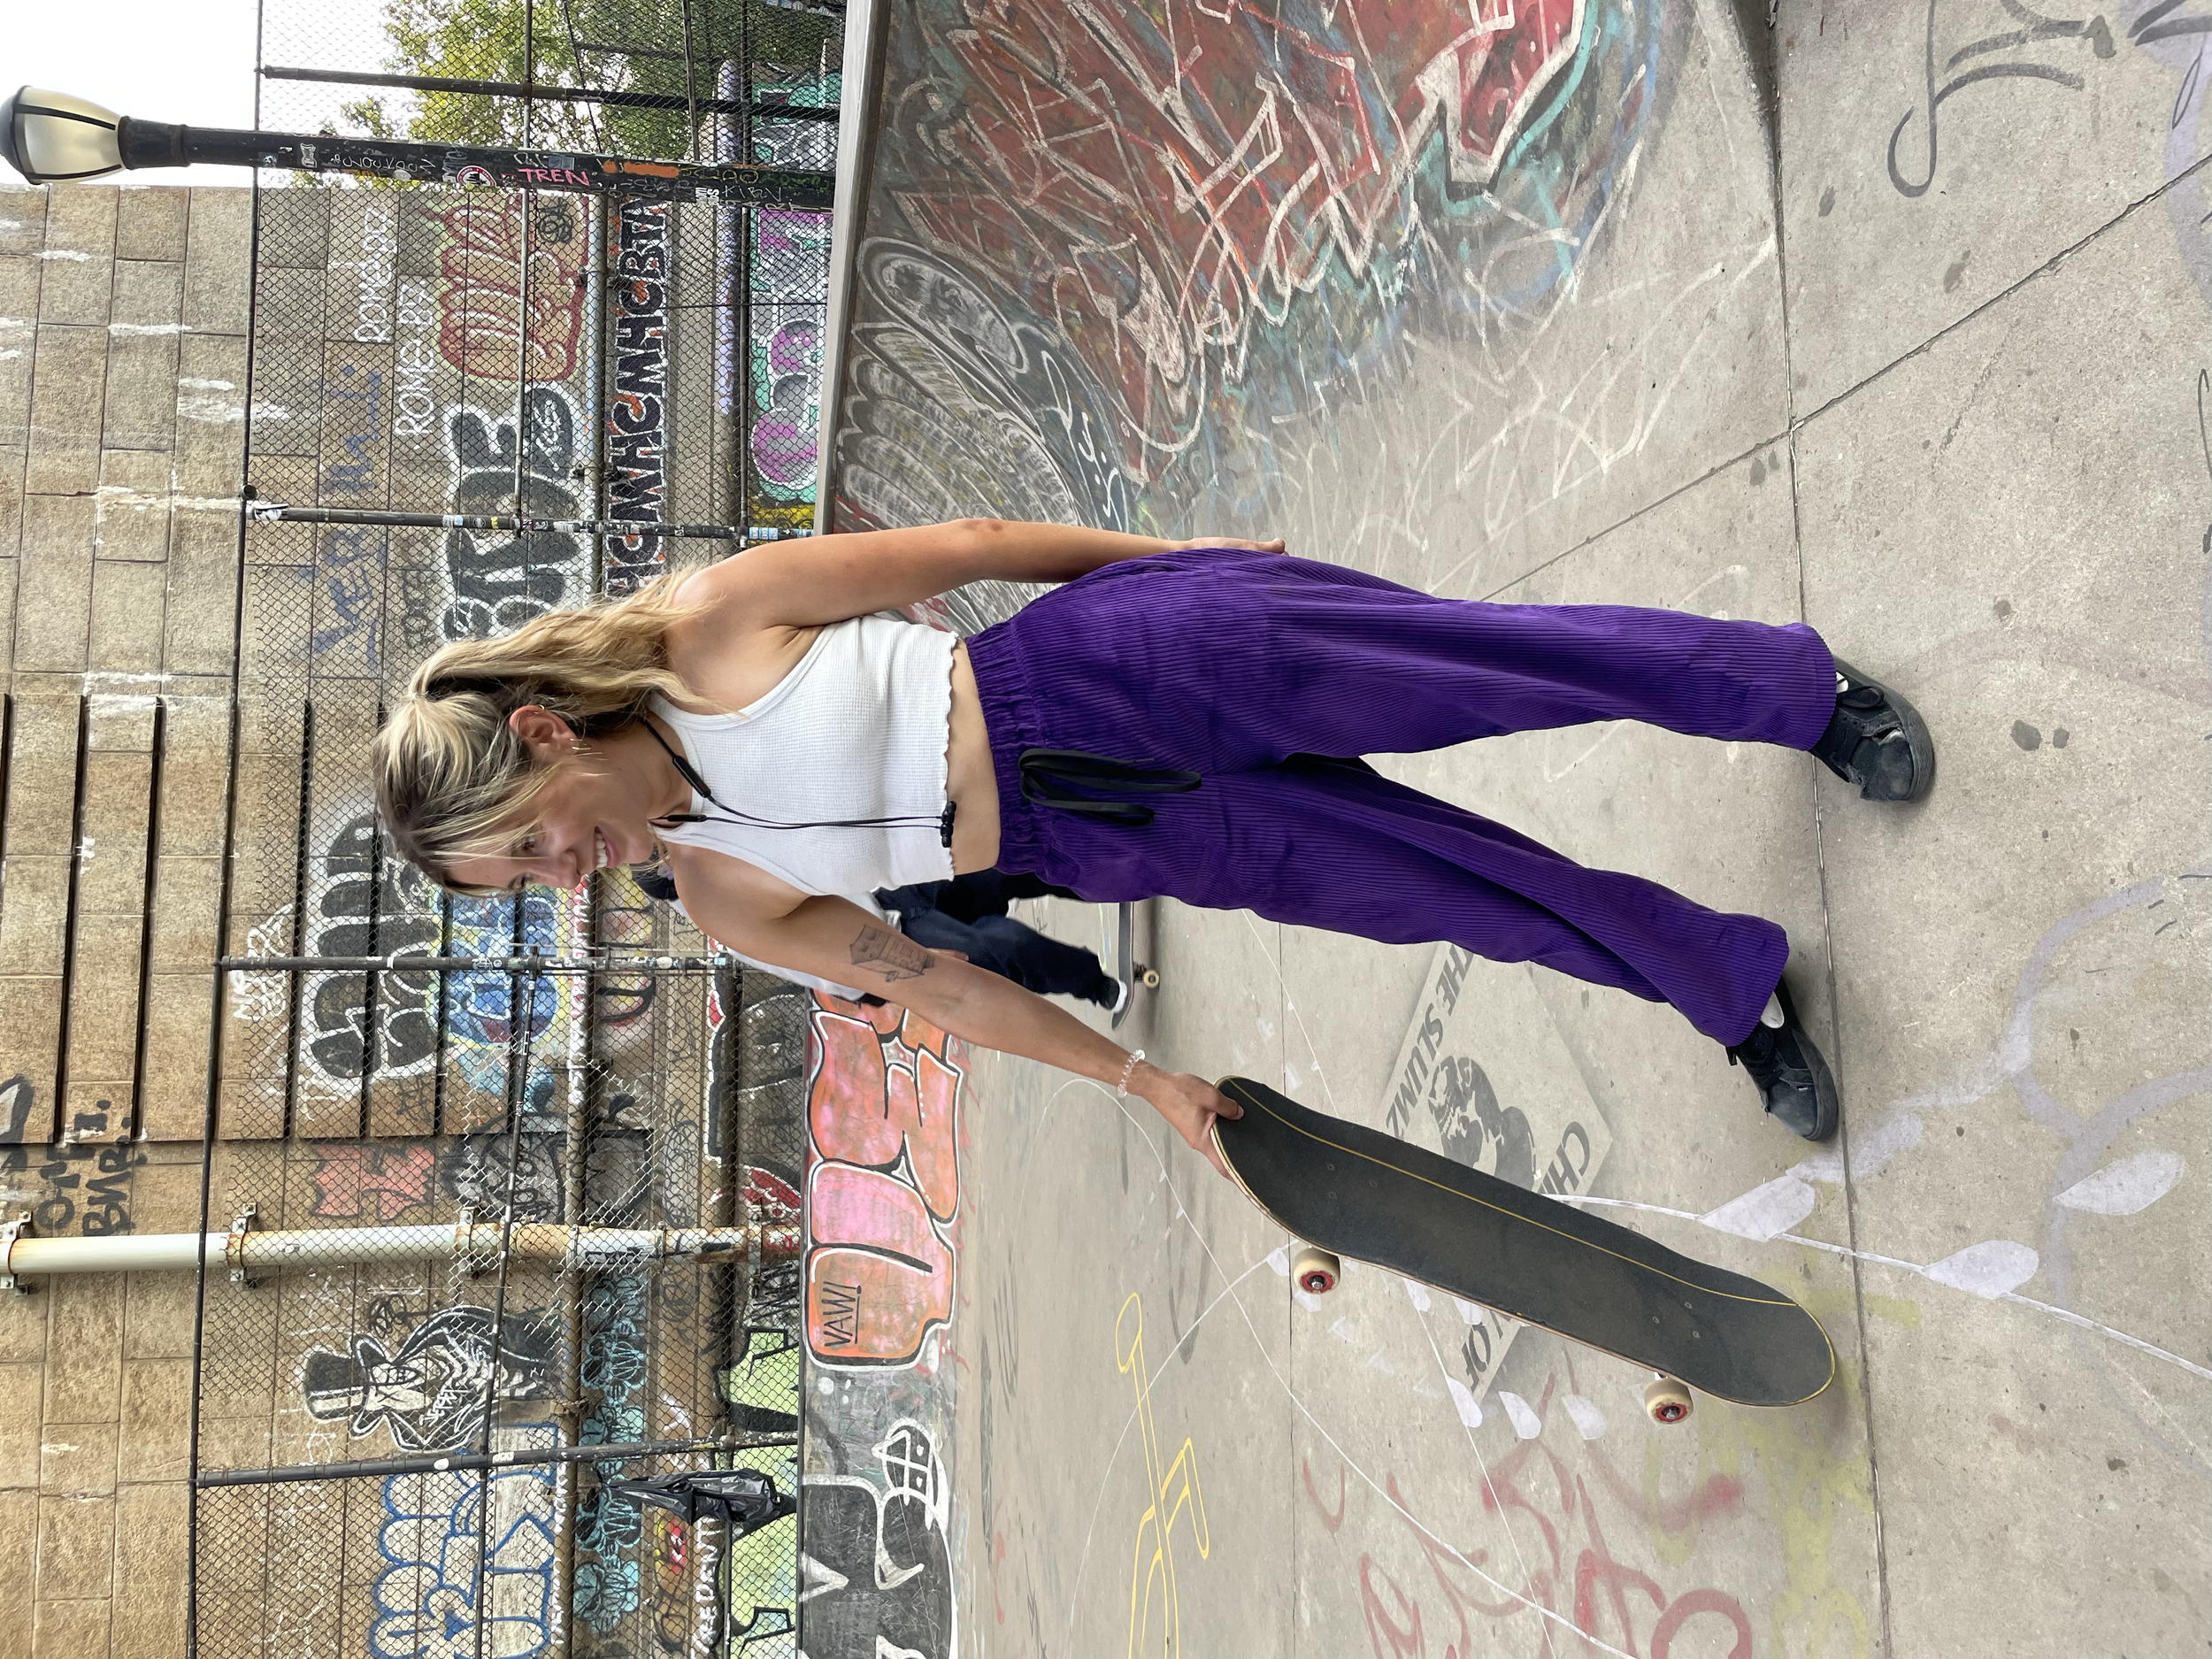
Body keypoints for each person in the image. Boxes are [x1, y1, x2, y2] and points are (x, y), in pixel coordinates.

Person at [373, 520, 1933, 1179]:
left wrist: (1188, 560)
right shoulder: (717, 891)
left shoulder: (708, 625)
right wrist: (1140, 1079)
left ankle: (1805, 692)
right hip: (1103, 829)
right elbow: (936, 984)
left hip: (1120, 661)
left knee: (1508, 664)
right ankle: (1730, 985)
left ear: (539, 741)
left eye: (523, 853)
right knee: (1450, 889)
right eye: (521, 890)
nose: (554, 884)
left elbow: (976, 552)